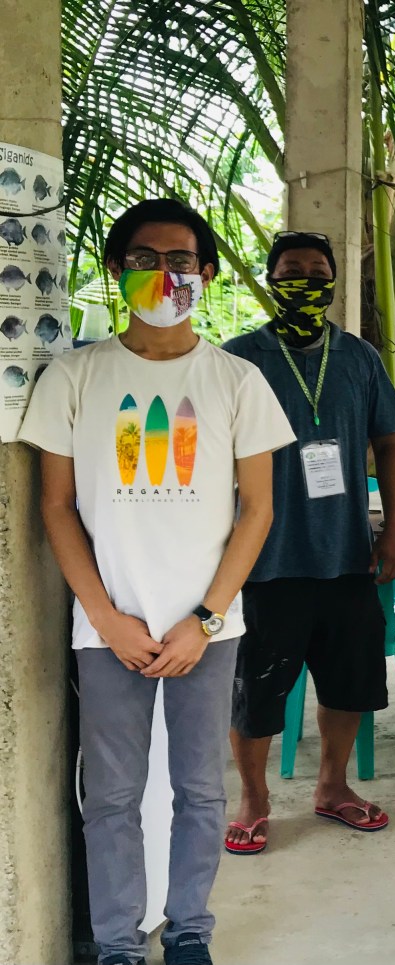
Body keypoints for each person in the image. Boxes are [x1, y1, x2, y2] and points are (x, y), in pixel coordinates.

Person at [19, 198, 294, 965]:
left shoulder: (238, 382)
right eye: (144, 258)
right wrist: (105, 617)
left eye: (180, 261)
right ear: (115, 269)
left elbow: (258, 511)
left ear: (206, 273)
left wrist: (204, 618)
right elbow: (56, 506)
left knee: (201, 793)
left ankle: (189, 934)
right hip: (109, 632)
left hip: (207, 629)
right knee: (110, 798)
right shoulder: (76, 377)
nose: (163, 274)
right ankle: (115, 945)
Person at [220, 231, 395, 854]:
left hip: (346, 558)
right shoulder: (237, 359)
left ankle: (333, 786)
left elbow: (391, 445)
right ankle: (254, 798)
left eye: (317, 270)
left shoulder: (358, 358)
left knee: (349, 682)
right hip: (263, 562)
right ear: (271, 278)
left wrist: (393, 532)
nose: (305, 279)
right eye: (292, 269)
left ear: (333, 281)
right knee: (257, 690)